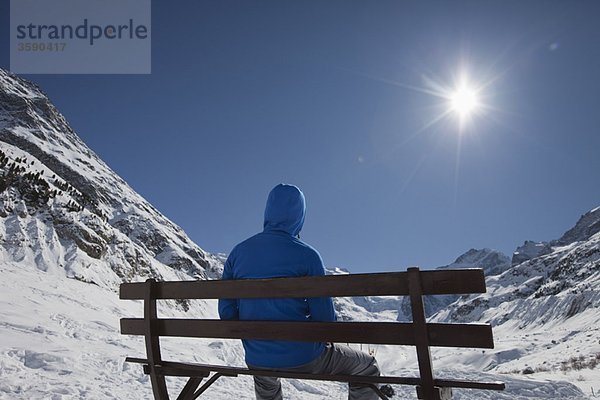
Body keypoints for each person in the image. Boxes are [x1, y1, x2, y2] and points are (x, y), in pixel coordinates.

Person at [218, 183, 381, 400]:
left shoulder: (238, 253)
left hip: (258, 357)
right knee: (367, 365)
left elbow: (227, 314)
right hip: (304, 357)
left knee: (265, 378)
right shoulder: (308, 256)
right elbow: (325, 322)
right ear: (300, 216)